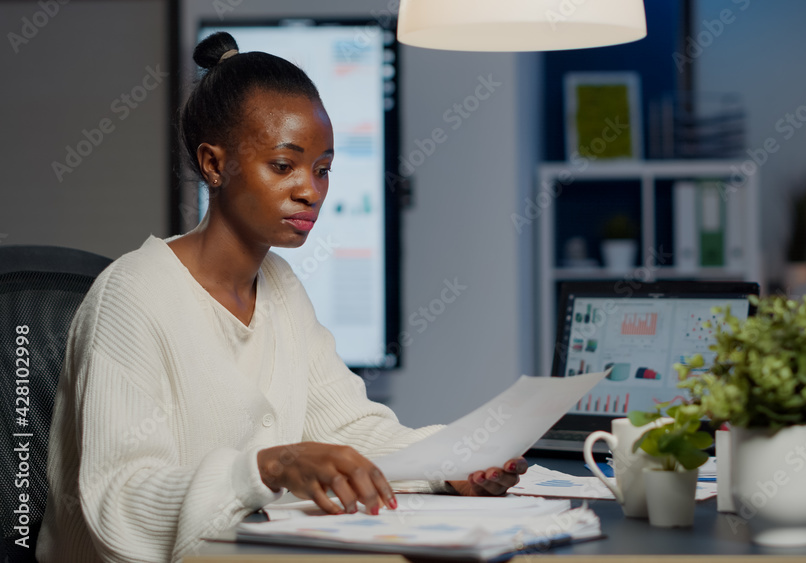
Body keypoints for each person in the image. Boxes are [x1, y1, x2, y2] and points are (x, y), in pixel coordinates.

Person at [37, 32, 526, 563]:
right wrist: (269, 466)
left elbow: (348, 430)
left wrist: (452, 465)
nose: (310, 190)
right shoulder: (132, 296)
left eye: (322, 170)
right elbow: (119, 504)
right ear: (213, 164)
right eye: (283, 165)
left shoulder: (281, 288)